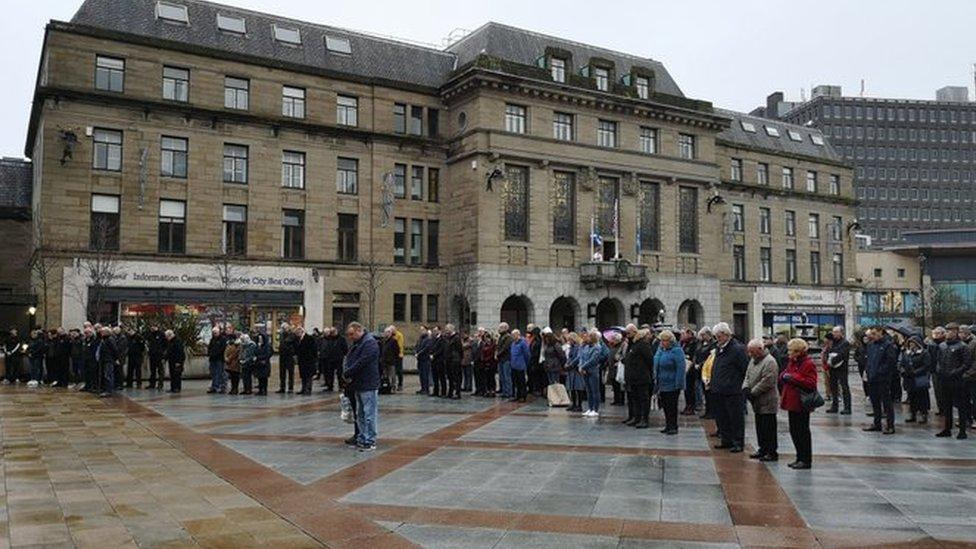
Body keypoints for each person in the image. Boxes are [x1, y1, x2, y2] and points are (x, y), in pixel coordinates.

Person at [710, 322, 749, 453]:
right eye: (716, 336)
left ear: (726, 335)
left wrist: (739, 385)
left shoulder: (737, 349)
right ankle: (726, 440)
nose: (717, 339)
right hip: (719, 389)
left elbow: (745, 369)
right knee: (722, 417)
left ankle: (738, 442)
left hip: (733, 390)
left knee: (735, 418)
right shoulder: (719, 348)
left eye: (719, 336)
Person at [779, 338, 818, 469]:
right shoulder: (792, 362)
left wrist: (793, 378)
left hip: (802, 402)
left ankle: (806, 459)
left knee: (802, 431)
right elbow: (785, 373)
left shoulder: (808, 364)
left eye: (791, 350)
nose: (788, 353)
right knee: (794, 430)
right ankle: (799, 456)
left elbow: (811, 383)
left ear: (798, 351)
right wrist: (784, 376)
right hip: (792, 401)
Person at [343, 322, 380, 452]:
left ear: (359, 330)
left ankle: (370, 440)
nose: (350, 337)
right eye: (349, 335)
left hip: (368, 383)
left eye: (352, 334)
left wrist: (348, 372)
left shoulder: (369, 343)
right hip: (358, 383)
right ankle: (362, 437)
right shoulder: (359, 343)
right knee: (361, 414)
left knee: (369, 413)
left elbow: (362, 361)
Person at [744, 338, 779, 462]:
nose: (750, 354)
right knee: (760, 426)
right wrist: (746, 388)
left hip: (767, 400)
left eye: (752, 352)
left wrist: (753, 392)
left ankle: (771, 451)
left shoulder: (770, 361)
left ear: (760, 349)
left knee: (768, 427)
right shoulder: (753, 360)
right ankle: (762, 448)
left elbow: (768, 381)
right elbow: (747, 375)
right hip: (756, 401)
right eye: (749, 352)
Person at [936, 323, 971, 439]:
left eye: (950, 331)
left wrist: (955, 372)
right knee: (947, 405)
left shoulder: (962, 346)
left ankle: (962, 430)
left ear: (956, 332)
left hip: (958, 380)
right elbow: (939, 360)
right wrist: (939, 370)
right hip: (944, 379)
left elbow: (966, 364)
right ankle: (947, 428)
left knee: (961, 405)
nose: (948, 333)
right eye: (947, 331)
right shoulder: (942, 346)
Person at [863, 327, 898, 435]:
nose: (872, 335)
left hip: (883, 379)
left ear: (881, 333)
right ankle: (877, 423)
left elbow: (890, 362)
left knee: (886, 402)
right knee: (875, 402)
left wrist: (880, 372)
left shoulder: (888, 345)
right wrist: (868, 372)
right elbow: (869, 361)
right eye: (872, 333)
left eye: (875, 333)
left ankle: (890, 425)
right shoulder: (871, 345)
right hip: (872, 378)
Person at [653, 330, 685, 434]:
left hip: (672, 383)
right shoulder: (661, 350)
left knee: (672, 406)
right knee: (665, 406)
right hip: (662, 382)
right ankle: (668, 425)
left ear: (670, 341)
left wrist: (679, 384)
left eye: (665, 340)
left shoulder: (677, 351)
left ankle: (673, 426)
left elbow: (681, 368)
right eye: (661, 340)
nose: (662, 342)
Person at [899, 335, 931, 424]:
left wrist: (916, 372)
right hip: (909, 379)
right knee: (912, 397)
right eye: (910, 343)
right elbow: (901, 363)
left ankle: (923, 414)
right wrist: (902, 370)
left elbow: (926, 365)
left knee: (922, 397)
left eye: (913, 343)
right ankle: (912, 414)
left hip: (919, 378)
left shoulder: (924, 353)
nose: (912, 345)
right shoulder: (906, 353)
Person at [579, 330, 607, 417]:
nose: (587, 338)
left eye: (589, 336)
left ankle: (595, 409)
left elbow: (593, 360)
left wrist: (583, 366)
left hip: (593, 370)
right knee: (588, 390)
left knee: (595, 391)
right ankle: (590, 408)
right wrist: (581, 366)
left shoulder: (597, 347)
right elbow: (582, 357)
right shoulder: (586, 347)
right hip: (585, 370)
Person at [825, 326, 852, 415]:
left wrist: (832, 360)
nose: (834, 334)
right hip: (833, 368)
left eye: (836, 332)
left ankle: (847, 407)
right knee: (833, 387)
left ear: (841, 333)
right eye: (833, 332)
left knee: (844, 387)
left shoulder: (845, 343)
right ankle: (834, 406)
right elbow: (828, 352)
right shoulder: (833, 343)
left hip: (841, 368)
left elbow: (842, 354)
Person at [695, 327, 717, 420]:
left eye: (703, 335)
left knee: (709, 393)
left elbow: (711, 357)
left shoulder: (713, 344)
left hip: (708, 370)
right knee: (705, 391)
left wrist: (701, 364)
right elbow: (697, 353)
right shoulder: (701, 344)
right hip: (701, 370)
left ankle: (711, 411)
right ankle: (707, 411)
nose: (702, 337)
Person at [319, 327, 347, 393]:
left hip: (339, 358)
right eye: (331, 332)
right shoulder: (329, 338)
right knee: (330, 373)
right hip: (330, 358)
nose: (332, 333)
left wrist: (343, 354)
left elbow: (345, 348)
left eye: (334, 331)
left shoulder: (341, 339)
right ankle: (330, 386)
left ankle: (341, 386)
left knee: (339, 373)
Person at [927, 327, 947, 417]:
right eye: (935, 333)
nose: (936, 335)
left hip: (944, 370)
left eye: (938, 333)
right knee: (937, 391)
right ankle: (941, 408)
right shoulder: (931, 344)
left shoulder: (945, 343)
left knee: (945, 391)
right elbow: (929, 357)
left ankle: (946, 409)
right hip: (935, 370)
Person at [94, 327, 119, 397]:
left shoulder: (110, 340)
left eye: (102, 332)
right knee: (106, 375)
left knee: (108, 375)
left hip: (108, 360)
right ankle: (106, 389)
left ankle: (109, 391)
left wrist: (116, 358)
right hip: (104, 360)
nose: (101, 333)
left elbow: (115, 350)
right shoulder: (104, 339)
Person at [564, 332, 585, 412]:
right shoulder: (571, 347)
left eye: (570, 339)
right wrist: (567, 363)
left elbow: (578, 357)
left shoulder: (578, 347)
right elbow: (569, 357)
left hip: (576, 369)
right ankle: (573, 404)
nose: (569, 341)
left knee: (578, 388)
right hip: (571, 370)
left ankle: (579, 405)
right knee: (571, 388)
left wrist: (571, 364)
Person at [294, 326, 318, 396]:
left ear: (301, 332)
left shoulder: (309, 338)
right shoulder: (299, 339)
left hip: (309, 361)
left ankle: (308, 389)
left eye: (297, 333)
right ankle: (303, 389)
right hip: (302, 361)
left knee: (308, 376)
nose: (297, 334)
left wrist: (313, 358)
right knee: (303, 376)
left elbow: (314, 349)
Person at [508, 329, 529, 402]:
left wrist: (525, 363)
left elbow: (527, 354)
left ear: (518, 335)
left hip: (520, 365)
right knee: (515, 382)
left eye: (513, 335)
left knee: (521, 382)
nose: (512, 337)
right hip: (513, 365)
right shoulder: (513, 343)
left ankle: (523, 396)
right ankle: (517, 395)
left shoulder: (523, 343)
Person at [444, 324, 463, 399]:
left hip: (455, 360)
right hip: (448, 360)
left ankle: (457, 392)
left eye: (447, 329)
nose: (446, 330)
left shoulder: (456, 338)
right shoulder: (448, 338)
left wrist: (459, 358)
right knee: (450, 377)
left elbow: (460, 349)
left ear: (452, 329)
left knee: (456, 377)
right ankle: (450, 392)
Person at [207, 326, 227, 394]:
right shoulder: (212, 340)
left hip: (219, 359)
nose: (214, 334)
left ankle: (222, 387)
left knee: (220, 373)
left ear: (219, 332)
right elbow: (209, 348)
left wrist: (215, 354)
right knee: (213, 373)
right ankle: (214, 386)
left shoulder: (222, 339)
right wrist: (209, 353)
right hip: (212, 359)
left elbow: (222, 349)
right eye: (213, 333)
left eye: (215, 333)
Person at [496, 323, 513, 399]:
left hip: (506, 359)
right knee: (502, 376)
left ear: (506, 328)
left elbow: (505, 348)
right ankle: (504, 391)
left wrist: (498, 354)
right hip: (501, 359)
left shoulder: (508, 337)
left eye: (501, 327)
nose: (499, 329)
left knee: (507, 377)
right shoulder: (501, 337)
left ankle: (509, 392)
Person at [277, 323, 296, 394]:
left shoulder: (292, 335)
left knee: (290, 373)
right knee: (282, 373)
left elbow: (286, 342)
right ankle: (282, 387)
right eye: (282, 328)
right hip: (282, 356)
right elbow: (282, 344)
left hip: (289, 356)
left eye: (284, 328)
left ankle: (290, 388)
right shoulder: (282, 335)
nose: (283, 330)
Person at [477, 331, 497, 397]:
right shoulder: (484, 345)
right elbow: (482, 353)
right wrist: (483, 359)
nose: (486, 340)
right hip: (485, 363)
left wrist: (487, 359)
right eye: (485, 338)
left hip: (492, 363)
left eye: (487, 338)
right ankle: (488, 390)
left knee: (492, 377)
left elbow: (493, 354)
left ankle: (493, 390)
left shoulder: (493, 345)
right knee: (487, 378)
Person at [147, 325, 166, 390]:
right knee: (152, 371)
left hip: (159, 356)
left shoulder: (161, 334)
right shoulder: (150, 334)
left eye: (153, 327)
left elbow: (165, 344)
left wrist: (162, 352)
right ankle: (152, 384)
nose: (152, 328)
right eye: (151, 327)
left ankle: (160, 385)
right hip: (152, 355)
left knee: (160, 371)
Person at [164, 329, 184, 393]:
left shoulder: (178, 341)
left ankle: (177, 388)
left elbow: (180, 352)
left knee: (177, 375)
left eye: (167, 337)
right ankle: (173, 387)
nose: (166, 338)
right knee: (172, 375)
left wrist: (179, 362)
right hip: (171, 361)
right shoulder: (170, 342)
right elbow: (169, 351)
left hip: (177, 361)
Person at [380, 326, 399, 392]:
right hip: (384, 361)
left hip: (391, 361)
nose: (385, 334)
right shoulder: (383, 341)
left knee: (392, 374)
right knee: (385, 375)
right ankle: (387, 386)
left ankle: (393, 387)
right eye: (385, 332)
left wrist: (394, 358)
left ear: (390, 333)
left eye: (387, 332)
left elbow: (397, 351)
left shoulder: (394, 341)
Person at [414, 327, 432, 395]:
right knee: (421, 375)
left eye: (423, 330)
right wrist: (416, 352)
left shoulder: (428, 339)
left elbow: (426, 348)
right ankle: (422, 388)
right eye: (421, 330)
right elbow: (416, 346)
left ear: (426, 330)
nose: (421, 331)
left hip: (425, 359)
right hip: (420, 360)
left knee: (425, 375)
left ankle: (426, 389)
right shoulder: (420, 339)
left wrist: (419, 353)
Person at [253, 331, 272, 396]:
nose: (260, 340)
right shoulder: (258, 345)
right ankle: (260, 390)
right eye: (259, 338)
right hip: (258, 364)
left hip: (264, 364)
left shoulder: (267, 346)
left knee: (264, 378)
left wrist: (260, 358)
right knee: (259, 378)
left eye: (261, 338)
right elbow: (255, 352)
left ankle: (264, 390)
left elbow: (268, 354)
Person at [430, 326, 447, 398]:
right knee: (435, 377)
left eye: (436, 330)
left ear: (439, 330)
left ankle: (443, 392)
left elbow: (441, 349)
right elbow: (432, 347)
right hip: (433, 360)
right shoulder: (434, 338)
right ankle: (436, 391)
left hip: (440, 360)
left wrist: (434, 355)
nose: (434, 331)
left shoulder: (442, 339)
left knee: (442, 377)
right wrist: (431, 354)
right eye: (434, 330)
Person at [392, 325, 405, 392]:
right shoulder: (392, 335)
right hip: (393, 356)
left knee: (399, 370)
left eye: (392, 330)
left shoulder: (399, 335)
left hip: (399, 355)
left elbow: (400, 345)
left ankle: (400, 384)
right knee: (394, 370)